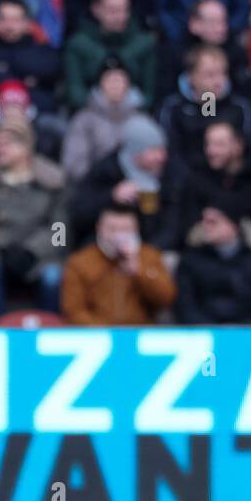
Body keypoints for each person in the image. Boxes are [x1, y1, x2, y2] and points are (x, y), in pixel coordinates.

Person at [0, 114, 65, 318]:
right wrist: (5, 248)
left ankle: (51, 329)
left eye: (6, 144)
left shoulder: (53, 183)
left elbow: (61, 231)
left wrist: (32, 251)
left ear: (25, 148)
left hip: (41, 258)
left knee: (53, 278)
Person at [72, 113, 181, 250]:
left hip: (151, 250)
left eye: (163, 149)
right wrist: (112, 196)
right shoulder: (105, 171)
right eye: (154, 150)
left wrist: (146, 254)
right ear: (135, 152)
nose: (161, 157)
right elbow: (79, 216)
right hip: (105, 249)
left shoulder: (170, 174)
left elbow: (173, 225)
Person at [179, 121, 251, 257]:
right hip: (204, 259)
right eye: (208, 144)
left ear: (238, 146)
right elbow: (186, 224)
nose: (211, 151)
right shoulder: (197, 178)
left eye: (219, 145)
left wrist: (242, 234)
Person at [62, 203, 176, 324]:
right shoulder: (80, 262)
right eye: (112, 229)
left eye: (125, 229)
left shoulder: (149, 256)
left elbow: (166, 299)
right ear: (99, 228)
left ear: (136, 229)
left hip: (139, 334)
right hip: (98, 336)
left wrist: (139, 271)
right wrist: (107, 334)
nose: (118, 236)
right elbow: (73, 310)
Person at [174, 202, 251, 325]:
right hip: (202, 336)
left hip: (250, 338)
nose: (205, 226)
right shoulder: (190, 261)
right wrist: (214, 330)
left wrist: (241, 330)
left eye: (213, 222)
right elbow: (184, 307)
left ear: (233, 225)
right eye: (203, 220)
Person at [156, 43, 251, 174]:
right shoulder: (173, 108)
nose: (218, 81)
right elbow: (170, 152)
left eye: (223, 73)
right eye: (210, 75)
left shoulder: (240, 107)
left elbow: (249, 151)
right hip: (187, 181)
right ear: (191, 77)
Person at [63, 0, 156, 111]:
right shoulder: (78, 44)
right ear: (95, 10)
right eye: (113, 10)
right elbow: (74, 92)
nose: (121, 16)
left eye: (125, 9)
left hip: (134, 114)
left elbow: (150, 94)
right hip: (91, 115)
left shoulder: (144, 43)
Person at [0, 0, 62, 115]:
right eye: (3, 19)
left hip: (37, 118)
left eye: (15, 20)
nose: (9, 26)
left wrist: (5, 68)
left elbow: (51, 73)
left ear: (27, 23)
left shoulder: (44, 52)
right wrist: (26, 78)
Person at [155, 0, 251, 104]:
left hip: (226, 113)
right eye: (213, 22)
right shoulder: (173, 53)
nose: (221, 28)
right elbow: (166, 95)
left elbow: (246, 95)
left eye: (223, 21)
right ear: (194, 24)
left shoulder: (236, 52)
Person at [61, 55, 143, 181]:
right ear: (100, 84)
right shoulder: (84, 120)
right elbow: (74, 164)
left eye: (120, 79)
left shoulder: (141, 120)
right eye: (109, 79)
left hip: (135, 186)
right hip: (95, 187)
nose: (115, 85)